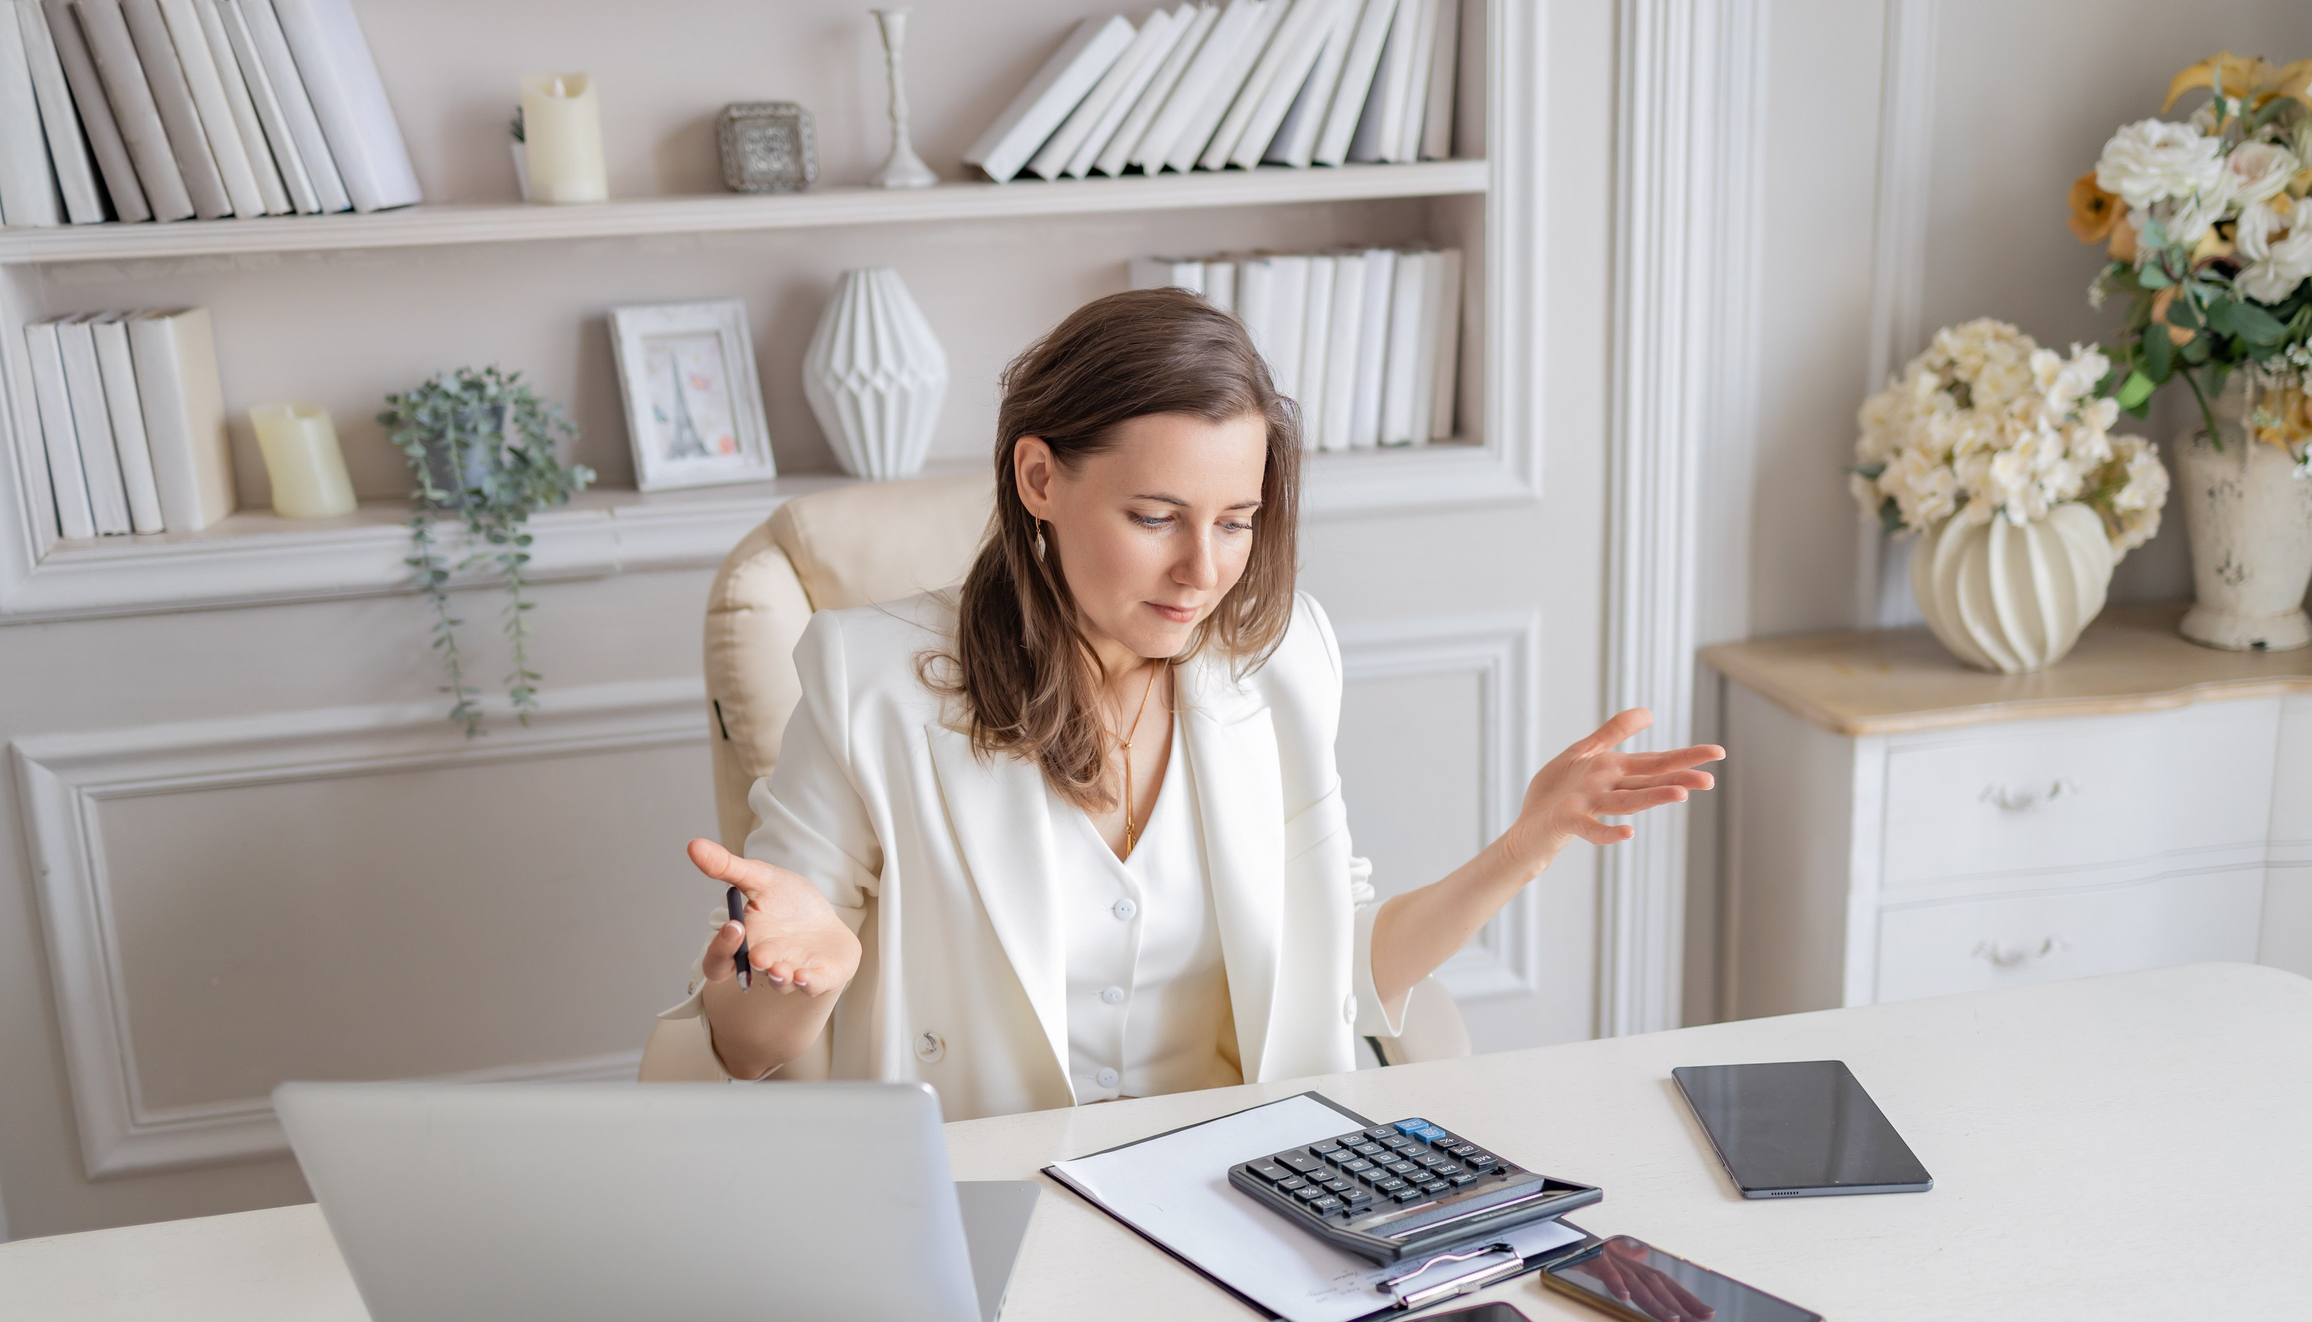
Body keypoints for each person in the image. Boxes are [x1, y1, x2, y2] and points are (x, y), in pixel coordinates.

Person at [667, 289, 1721, 1120]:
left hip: (1240, 1185)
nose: (1201, 570)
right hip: (993, 1203)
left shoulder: (1281, 657)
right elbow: (747, 1051)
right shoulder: (868, 683)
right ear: (1039, 477)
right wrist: (795, 987)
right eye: (1156, 515)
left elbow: (1337, 975)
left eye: (1236, 521)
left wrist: (1523, 848)